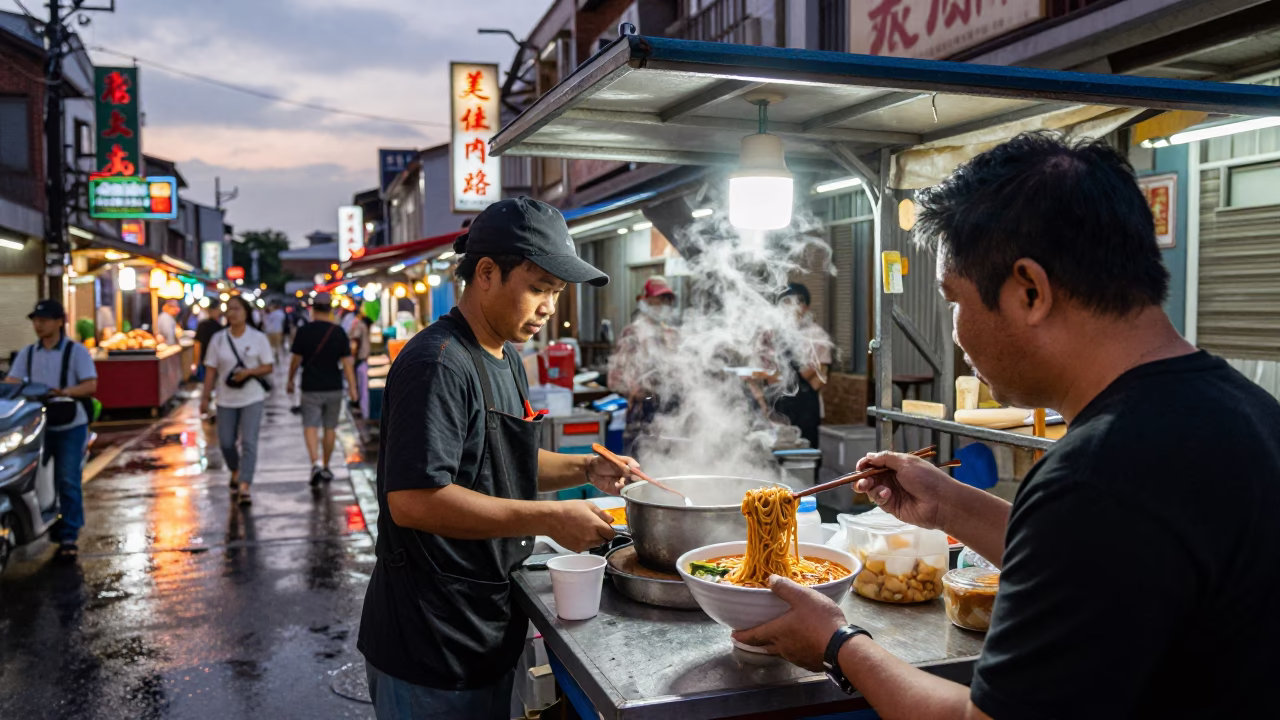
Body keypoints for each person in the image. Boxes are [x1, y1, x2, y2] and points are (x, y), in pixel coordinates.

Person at [732, 134, 1280, 719]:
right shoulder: (1249, 411)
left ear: (1029, 291)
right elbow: (1100, 562)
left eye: (954, 300)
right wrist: (947, 506)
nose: (954, 332)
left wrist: (838, 644)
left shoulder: (1096, 478)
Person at [357, 197, 640, 719]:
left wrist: (583, 468)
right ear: (485, 273)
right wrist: (553, 516)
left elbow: (504, 461)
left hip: (484, 624)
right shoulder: (438, 363)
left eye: (555, 293)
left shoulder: (506, 356)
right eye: (538, 289)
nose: (549, 309)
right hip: (431, 641)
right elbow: (416, 501)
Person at [5, 300, 98, 563]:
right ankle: (39, 524)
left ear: (60, 322)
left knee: (67, 478)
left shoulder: (76, 352)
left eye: (44, 320)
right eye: (36, 320)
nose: (38, 324)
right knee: (32, 478)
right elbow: (12, 382)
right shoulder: (27, 354)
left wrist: (64, 392)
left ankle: (69, 534)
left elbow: (90, 385)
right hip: (36, 426)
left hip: (70, 425)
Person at [200, 295, 273, 506]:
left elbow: (268, 366)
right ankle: (235, 469)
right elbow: (211, 370)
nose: (232, 313)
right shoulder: (218, 339)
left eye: (236, 309)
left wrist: (249, 372)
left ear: (246, 312)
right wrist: (205, 398)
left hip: (252, 397)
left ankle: (245, 485)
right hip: (225, 398)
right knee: (226, 442)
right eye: (229, 309)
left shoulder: (258, 338)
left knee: (249, 441)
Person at [287, 293, 358, 486]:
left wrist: (290, 380)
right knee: (330, 427)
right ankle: (326, 466)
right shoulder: (338, 332)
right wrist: (353, 389)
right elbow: (347, 363)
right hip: (333, 386)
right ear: (331, 310)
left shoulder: (304, 332)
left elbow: (295, 360)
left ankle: (315, 463)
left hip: (310, 385)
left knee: (310, 425)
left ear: (313, 309)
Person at [608, 276, 680, 454]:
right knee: (638, 473)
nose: (663, 305)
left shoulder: (671, 334)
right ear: (645, 300)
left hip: (670, 417)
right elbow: (614, 379)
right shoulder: (633, 333)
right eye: (659, 300)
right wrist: (639, 389)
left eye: (667, 300)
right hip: (642, 417)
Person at [769, 282, 832, 449]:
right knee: (778, 447)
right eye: (785, 302)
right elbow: (770, 370)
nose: (789, 308)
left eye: (795, 302)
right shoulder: (775, 333)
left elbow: (819, 376)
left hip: (806, 402)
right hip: (780, 399)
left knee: (806, 448)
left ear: (805, 307)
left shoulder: (816, 334)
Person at [347, 300, 372, 418]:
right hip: (363, 359)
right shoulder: (361, 323)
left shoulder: (358, 324)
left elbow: (354, 343)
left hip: (360, 359)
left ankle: (362, 410)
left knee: (361, 387)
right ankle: (362, 410)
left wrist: (351, 356)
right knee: (362, 387)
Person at [192, 302, 225, 385]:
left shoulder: (215, 326)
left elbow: (197, 343)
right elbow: (197, 343)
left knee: (206, 382)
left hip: (208, 359)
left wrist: (196, 361)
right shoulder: (219, 327)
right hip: (209, 359)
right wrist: (196, 361)